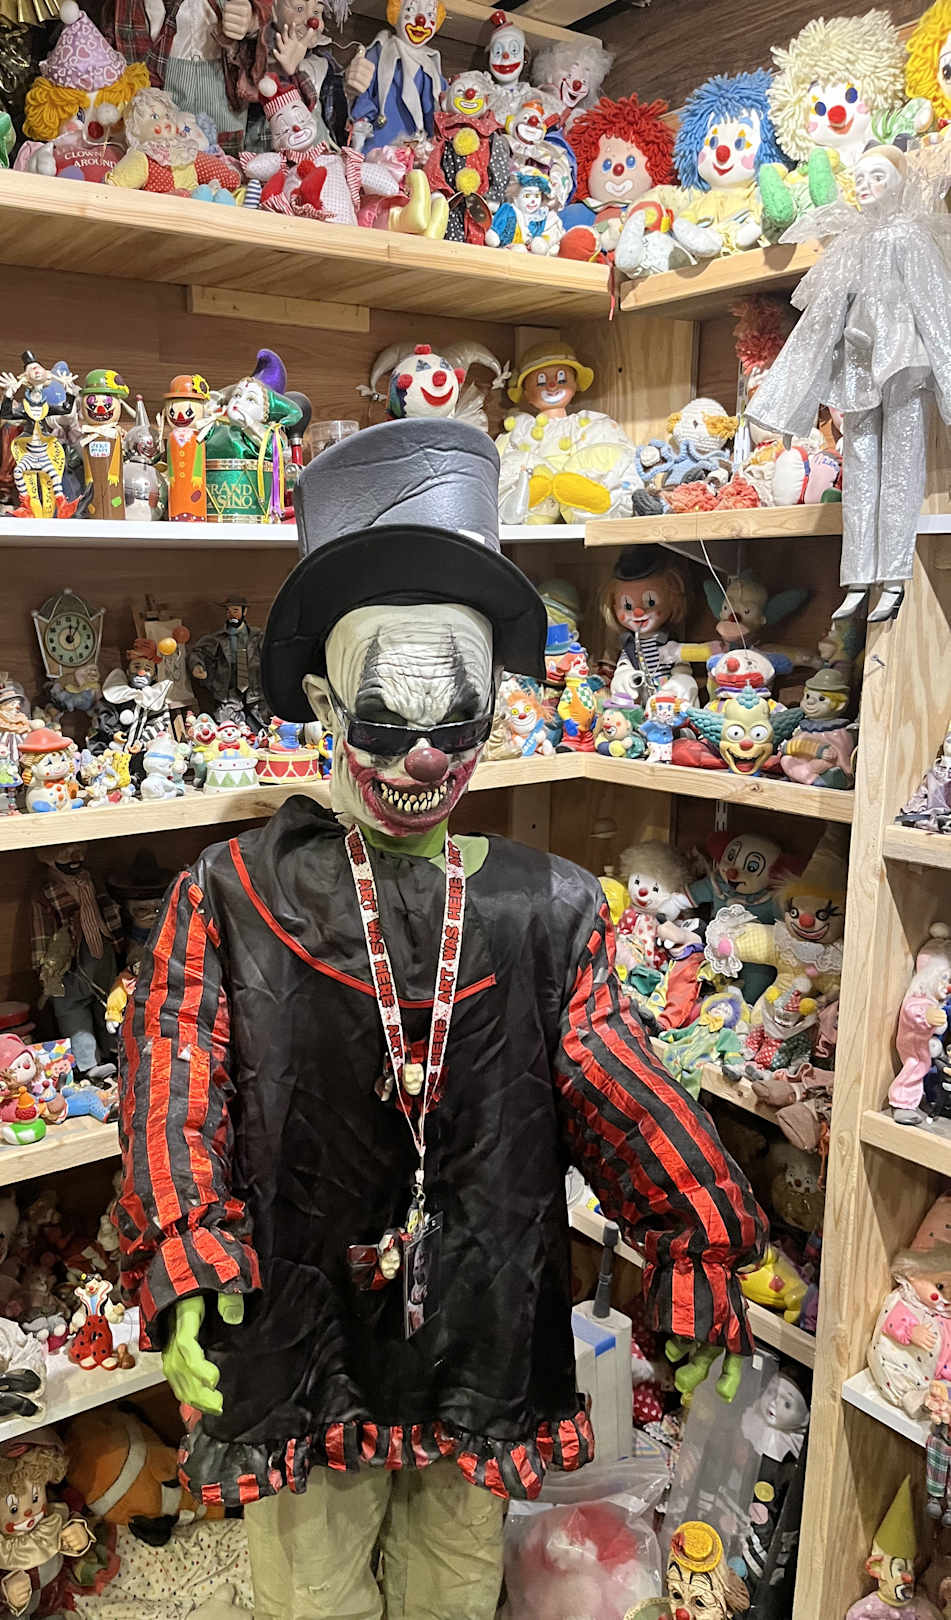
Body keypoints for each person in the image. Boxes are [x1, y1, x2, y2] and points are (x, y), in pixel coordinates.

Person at [116, 418, 766, 1620]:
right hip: (304, 1319)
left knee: (455, 1586)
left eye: (455, 723)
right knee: (312, 1593)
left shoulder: (548, 907)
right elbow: (174, 1070)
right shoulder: (233, 893)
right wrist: (188, 1248)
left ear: (496, 714)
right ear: (323, 703)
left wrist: (696, 1240)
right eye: (386, 720)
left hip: (481, 1324)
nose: (422, 758)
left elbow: (618, 1084)